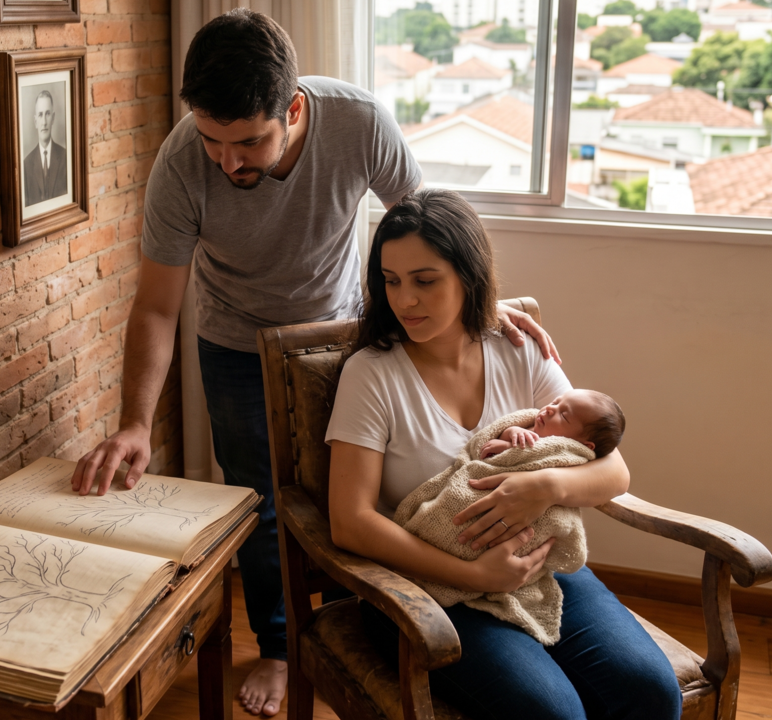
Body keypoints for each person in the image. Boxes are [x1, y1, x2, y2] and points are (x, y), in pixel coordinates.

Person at [67, 10, 557, 717]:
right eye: (212, 140)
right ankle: (279, 645)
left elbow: (428, 230)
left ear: (293, 109)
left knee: (360, 495)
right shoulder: (182, 163)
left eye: (247, 142)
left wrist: (481, 302)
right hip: (235, 344)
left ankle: (369, 618)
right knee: (263, 505)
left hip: (343, 336)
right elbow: (154, 308)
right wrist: (135, 423)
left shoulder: (359, 123)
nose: (227, 162)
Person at [325, 189, 680, 719]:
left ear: (467, 275)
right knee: (552, 713)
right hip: (427, 588)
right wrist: (477, 576)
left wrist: (545, 487)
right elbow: (350, 522)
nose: (405, 300)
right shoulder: (372, 375)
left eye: (425, 280)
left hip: (539, 571)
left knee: (650, 691)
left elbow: (613, 469)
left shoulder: (516, 348)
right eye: (391, 280)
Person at [479, 389, 625, 459]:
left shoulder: (568, 455)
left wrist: (509, 448)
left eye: (563, 415)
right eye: (555, 402)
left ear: (583, 446)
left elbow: (538, 460)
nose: (550, 409)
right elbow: (501, 435)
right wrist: (513, 431)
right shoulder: (531, 425)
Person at [23, 90, 69, 206]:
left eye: (47, 114)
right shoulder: (26, 164)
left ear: (53, 118)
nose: (44, 122)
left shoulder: (65, 157)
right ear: (35, 122)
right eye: (40, 114)